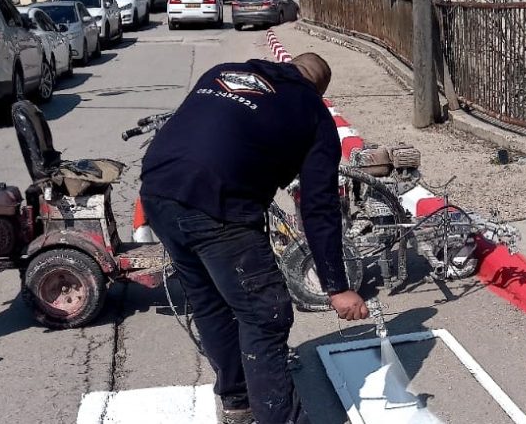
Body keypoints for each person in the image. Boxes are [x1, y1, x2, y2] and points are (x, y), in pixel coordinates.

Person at [140, 53, 368, 424]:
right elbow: (319, 205)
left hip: (158, 190)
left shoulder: (222, 71)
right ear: (319, 88)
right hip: (218, 206)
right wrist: (336, 287)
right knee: (265, 313)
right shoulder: (311, 110)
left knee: (210, 301)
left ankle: (238, 400)